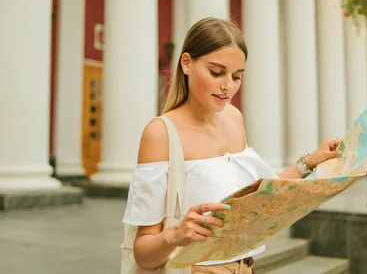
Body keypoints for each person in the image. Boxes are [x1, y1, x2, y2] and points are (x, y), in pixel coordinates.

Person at [122, 17, 342, 274]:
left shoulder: (234, 118)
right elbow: (143, 254)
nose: (228, 86)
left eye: (236, 76)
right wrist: (176, 235)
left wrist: (309, 162)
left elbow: (254, 198)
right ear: (186, 63)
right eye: (216, 73)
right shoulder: (160, 134)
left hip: (245, 267)